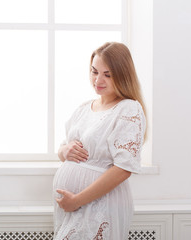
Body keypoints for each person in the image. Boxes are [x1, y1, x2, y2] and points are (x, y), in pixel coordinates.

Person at [53, 42, 147, 240]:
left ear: (122, 75)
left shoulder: (128, 109)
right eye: (94, 71)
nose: (98, 80)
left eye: (108, 74)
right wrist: (65, 151)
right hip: (73, 205)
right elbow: (63, 149)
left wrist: (77, 200)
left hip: (99, 204)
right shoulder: (84, 108)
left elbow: (123, 168)